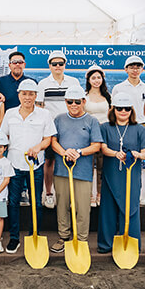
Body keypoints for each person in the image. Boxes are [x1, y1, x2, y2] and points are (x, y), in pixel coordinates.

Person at [0, 79, 56, 254]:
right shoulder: (10, 113)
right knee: (13, 202)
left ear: (36, 96)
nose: (27, 97)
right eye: (24, 94)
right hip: (14, 165)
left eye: (31, 94)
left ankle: (34, 234)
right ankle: (14, 238)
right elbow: (3, 137)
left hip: (35, 165)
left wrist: (38, 147)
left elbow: (48, 139)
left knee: (36, 203)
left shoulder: (44, 114)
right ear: (19, 95)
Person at [49, 86, 103, 253]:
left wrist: (79, 152)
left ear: (84, 102)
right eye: (70, 101)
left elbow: (96, 145)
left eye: (77, 102)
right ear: (65, 102)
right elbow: (53, 141)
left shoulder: (92, 121)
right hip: (62, 170)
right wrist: (65, 152)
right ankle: (64, 237)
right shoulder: (59, 119)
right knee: (62, 205)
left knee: (83, 208)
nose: (73, 105)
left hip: (83, 172)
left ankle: (81, 239)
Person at [97, 92, 145, 253]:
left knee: (131, 207)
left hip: (131, 174)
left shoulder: (139, 129)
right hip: (111, 173)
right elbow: (103, 148)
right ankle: (106, 244)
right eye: (119, 108)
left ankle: (130, 244)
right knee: (108, 208)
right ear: (113, 109)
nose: (123, 111)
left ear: (131, 110)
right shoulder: (105, 127)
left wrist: (138, 155)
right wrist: (115, 153)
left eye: (127, 108)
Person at [37, 50, 80, 199]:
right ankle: (49, 193)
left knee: (69, 159)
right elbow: (39, 107)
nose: (57, 66)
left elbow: (79, 105)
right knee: (49, 161)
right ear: (49, 65)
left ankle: (69, 193)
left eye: (60, 63)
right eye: (54, 63)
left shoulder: (74, 82)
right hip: (50, 129)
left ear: (65, 65)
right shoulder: (43, 84)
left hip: (70, 127)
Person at [84, 65, 111, 205]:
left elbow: (111, 114)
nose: (96, 80)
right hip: (89, 134)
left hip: (104, 133)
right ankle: (88, 194)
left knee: (102, 166)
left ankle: (100, 193)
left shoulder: (107, 96)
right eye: (93, 78)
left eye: (98, 77)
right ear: (88, 80)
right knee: (88, 166)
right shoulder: (84, 97)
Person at [111, 55, 145, 125]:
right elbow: (113, 108)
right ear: (126, 69)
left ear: (142, 69)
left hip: (140, 123)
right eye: (132, 68)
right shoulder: (118, 88)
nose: (135, 70)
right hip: (123, 124)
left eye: (138, 68)